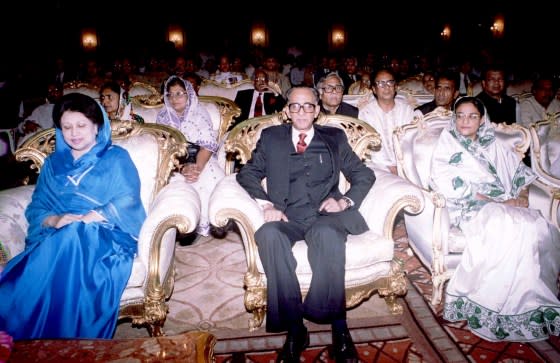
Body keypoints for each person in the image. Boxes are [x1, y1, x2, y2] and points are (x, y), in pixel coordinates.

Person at [236, 86, 375, 362]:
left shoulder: (334, 137)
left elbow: (364, 175)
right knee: (268, 235)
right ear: (287, 110)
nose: (302, 111)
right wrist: (266, 205)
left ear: (317, 110)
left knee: (328, 236)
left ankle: (339, 327)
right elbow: (247, 173)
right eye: (295, 106)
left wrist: (344, 202)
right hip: (287, 216)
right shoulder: (271, 137)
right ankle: (295, 328)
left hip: (324, 215)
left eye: (308, 106)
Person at [0, 93, 146, 339]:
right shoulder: (53, 164)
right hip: (57, 233)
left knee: (74, 235)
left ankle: (54, 337)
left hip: (106, 232)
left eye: (81, 125)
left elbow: (127, 199)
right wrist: (56, 220)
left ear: (97, 126)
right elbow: (37, 207)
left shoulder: (116, 157)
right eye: (66, 127)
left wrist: (87, 218)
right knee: (67, 236)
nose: (74, 133)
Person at [429, 96, 560, 342]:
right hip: (472, 206)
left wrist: (520, 195)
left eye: (472, 116)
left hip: (505, 202)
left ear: (482, 120)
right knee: (504, 224)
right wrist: (496, 202)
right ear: (454, 118)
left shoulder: (493, 142)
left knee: (534, 225)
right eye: (461, 115)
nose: (465, 121)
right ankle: (489, 304)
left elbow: (519, 173)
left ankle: (526, 303)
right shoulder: (448, 143)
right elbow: (443, 179)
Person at [157, 75, 224, 238]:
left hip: (202, 157)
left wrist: (197, 168)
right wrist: (181, 167)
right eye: (170, 94)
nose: (174, 99)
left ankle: (211, 221)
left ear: (189, 94)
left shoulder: (200, 112)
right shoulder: (163, 116)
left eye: (179, 93)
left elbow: (207, 146)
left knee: (210, 178)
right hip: (174, 161)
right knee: (171, 185)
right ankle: (183, 225)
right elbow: (163, 148)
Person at [359, 68, 415, 174]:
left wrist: (401, 165)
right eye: (381, 83)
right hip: (377, 165)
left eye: (390, 82)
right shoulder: (366, 113)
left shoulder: (406, 110)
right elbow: (369, 147)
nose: (386, 87)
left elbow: (410, 141)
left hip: (406, 163)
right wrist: (390, 167)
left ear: (395, 87)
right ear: (374, 89)